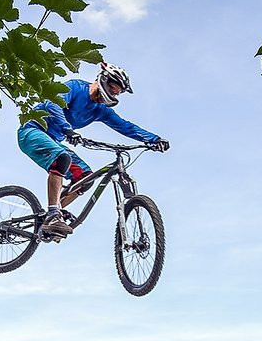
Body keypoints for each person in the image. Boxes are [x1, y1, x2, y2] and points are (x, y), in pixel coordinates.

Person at [17, 62, 169, 236]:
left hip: (54, 140)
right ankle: (53, 213)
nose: (114, 94)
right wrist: (67, 129)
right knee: (63, 158)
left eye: (117, 93)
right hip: (32, 131)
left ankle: (51, 215)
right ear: (104, 80)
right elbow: (54, 104)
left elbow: (126, 126)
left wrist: (154, 139)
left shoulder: (100, 110)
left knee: (86, 178)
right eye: (113, 89)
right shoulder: (76, 87)